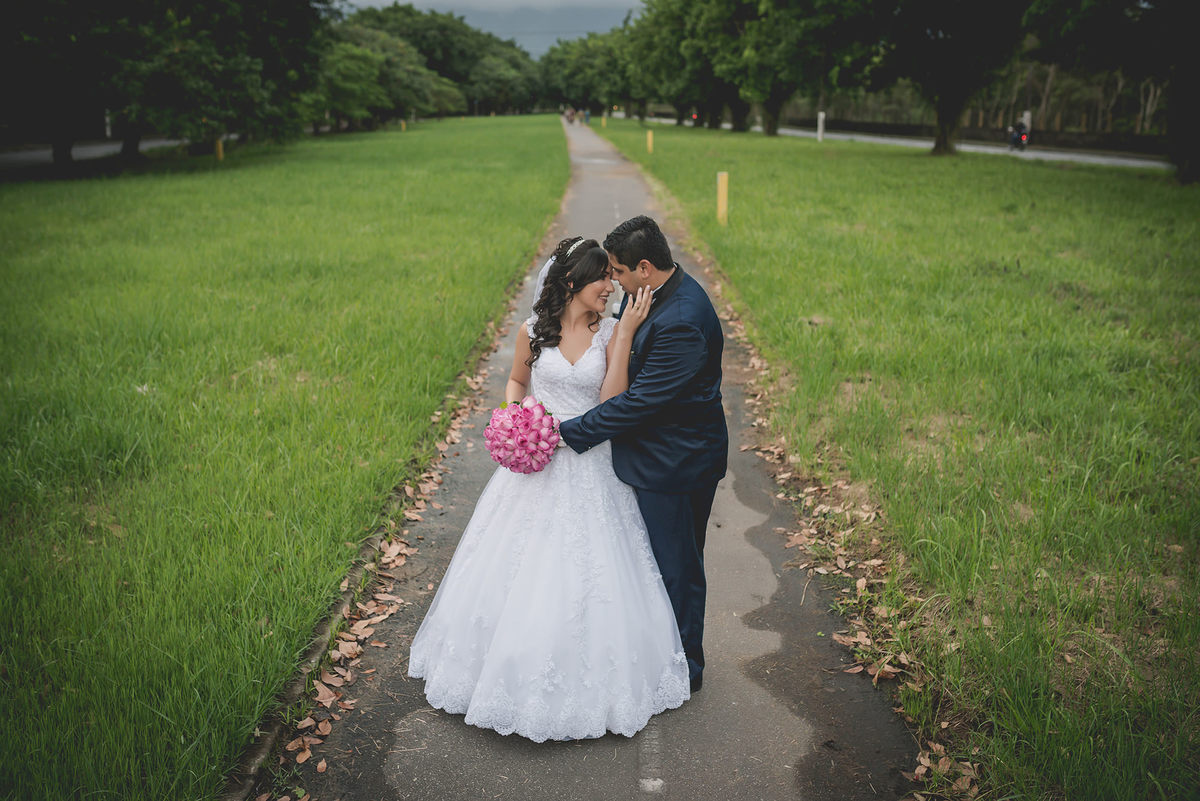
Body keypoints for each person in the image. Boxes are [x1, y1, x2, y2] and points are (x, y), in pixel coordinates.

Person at [408, 236, 690, 742]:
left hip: (593, 463)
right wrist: (515, 418)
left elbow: (610, 404)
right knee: (520, 567)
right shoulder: (532, 333)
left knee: (594, 572)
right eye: (602, 277)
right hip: (536, 463)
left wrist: (623, 335)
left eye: (612, 275)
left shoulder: (608, 332)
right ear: (570, 283)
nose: (611, 285)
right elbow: (517, 382)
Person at [558, 216, 728, 694]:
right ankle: (662, 657)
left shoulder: (681, 323)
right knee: (655, 565)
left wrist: (568, 433)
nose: (612, 280)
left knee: (678, 570)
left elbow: (638, 403)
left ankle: (685, 670)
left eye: (617, 271)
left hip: (676, 464)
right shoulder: (655, 293)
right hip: (657, 456)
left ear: (646, 268)